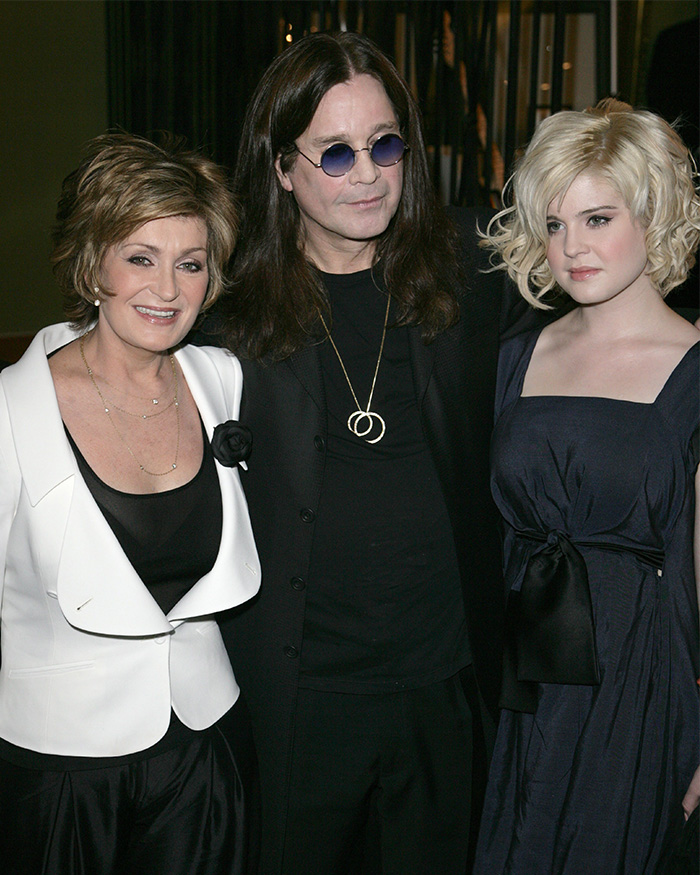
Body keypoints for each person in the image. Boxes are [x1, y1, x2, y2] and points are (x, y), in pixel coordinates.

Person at [206, 30, 513, 875]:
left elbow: (599, 297)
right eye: (335, 153)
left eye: (384, 144)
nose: (369, 172)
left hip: (446, 687)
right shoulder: (226, 321)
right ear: (281, 167)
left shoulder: (472, 270)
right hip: (302, 703)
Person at [0, 133, 262, 875]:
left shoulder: (223, 380)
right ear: (92, 265)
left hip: (208, 752)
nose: (168, 290)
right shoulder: (9, 413)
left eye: (191, 264)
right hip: (61, 772)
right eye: (140, 258)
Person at [473, 99, 700, 873]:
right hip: (529, 682)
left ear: (652, 212)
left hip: (642, 679)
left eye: (597, 218)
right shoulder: (517, 353)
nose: (572, 247)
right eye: (555, 223)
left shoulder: (695, 365)